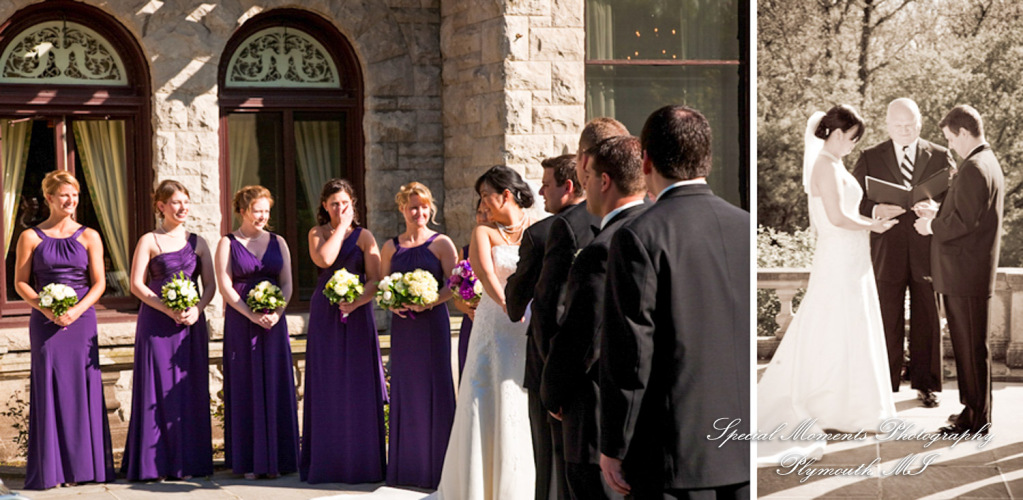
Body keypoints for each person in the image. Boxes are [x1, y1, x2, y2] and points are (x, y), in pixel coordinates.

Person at [600, 106, 751, 498]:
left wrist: (613, 446)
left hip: (671, 455)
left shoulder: (638, 236)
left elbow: (630, 353)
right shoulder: (745, 226)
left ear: (645, 160)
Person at [757, 106, 897, 467]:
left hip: (849, 255)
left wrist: (873, 214)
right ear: (836, 134)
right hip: (839, 256)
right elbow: (835, 218)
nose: (852, 146)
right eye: (852, 139)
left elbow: (842, 212)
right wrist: (872, 225)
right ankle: (827, 403)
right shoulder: (824, 165)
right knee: (833, 322)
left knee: (849, 324)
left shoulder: (832, 165)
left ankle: (849, 403)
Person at [542, 135, 647, 500]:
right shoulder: (659, 232)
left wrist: (552, 393)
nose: (584, 191)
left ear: (604, 182)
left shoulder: (601, 250)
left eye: (586, 181)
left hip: (597, 418)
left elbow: (579, 336)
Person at [427, 164, 539, 499]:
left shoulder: (539, 226)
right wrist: (509, 306)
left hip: (529, 325)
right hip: (495, 323)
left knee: (521, 397)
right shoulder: (484, 233)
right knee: (487, 394)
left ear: (505, 194)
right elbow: (487, 274)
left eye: (485, 196)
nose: (482, 204)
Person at [13, 170, 115, 490]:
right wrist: (46, 308)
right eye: (63, 195)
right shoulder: (30, 237)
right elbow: (20, 283)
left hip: (81, 322)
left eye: (75, 195)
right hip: (45, 323)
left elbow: (99, 283)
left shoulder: (90, 236)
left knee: (82, 390)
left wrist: (76, 310)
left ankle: (84, 468)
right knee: (49, 388)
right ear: (49, 198)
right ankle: (52, 470)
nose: (70, 201)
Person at [853, 98, 953, 406]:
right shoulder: (870, 157)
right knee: (886, 314)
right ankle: (885, 382)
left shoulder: (940, 155)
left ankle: (928, 385)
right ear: (887, 125)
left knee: (927, 315)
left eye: (911, 125)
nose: (905, 131)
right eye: (899, 126)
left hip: (926, 246)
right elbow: (853, 200)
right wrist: (875, 207)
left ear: (920, 122)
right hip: (887, 247)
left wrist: (937, 209)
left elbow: (957, 200)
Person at [913, 104, 1003, 435]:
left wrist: (931, 226)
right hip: (971, 272)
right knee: (972, 348)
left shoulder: (974, 168)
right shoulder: (986, 163)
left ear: (964, 133)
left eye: (951, 138)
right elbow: (968, 211)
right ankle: (974, 413)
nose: (950, 145)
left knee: (970, 348)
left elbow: (964, 222)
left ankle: (977, 420)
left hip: (965, 274)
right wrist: (940, 208)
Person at [122, 180, 215, 481]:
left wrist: (197, 309)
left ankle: (188, 464)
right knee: (156, 390)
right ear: (160, 206)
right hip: (156, 323)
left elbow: (211, 286)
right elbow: (136, 284)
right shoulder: (149, 240)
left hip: (190, 325)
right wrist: (166, 308)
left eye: (185, 202)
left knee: (187, 392)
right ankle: (154, 465)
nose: (182, 207)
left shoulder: (198, 242)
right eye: (175, 202)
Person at [300, 179, 388, 484]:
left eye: (345, 204)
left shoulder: (365, 237)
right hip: (326, 315)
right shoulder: (316, 233)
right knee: (329, 384)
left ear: (353, 204)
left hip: (357, 315)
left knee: (357, 385)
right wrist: (339, 227)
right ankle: (328, 462)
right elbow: (324, 259)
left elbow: (376, 279)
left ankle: (362, 463)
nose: (340, 208)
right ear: (325, 206)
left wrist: (356, 302)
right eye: (334, 204)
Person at [214, 185, 299, 480]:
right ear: (242, 211)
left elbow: (287, 283)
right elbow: (225, 286)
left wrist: (277, 313)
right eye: (257, 211)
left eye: (266, 210)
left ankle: (281, 458)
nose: (262, 216)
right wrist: (250, 313)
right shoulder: (227, 243)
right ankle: (249, 460)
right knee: (245, 384)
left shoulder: (279, 242)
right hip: (241, 322)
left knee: (275, 382)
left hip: (274, 325)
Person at [380, 182, 458, 489]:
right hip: (404, 328)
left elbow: (455, 284)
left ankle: (439, 467)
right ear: (402, 209)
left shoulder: (442, 243)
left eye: (424, 207)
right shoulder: (390, 247)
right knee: (407, 390)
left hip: (432, 325)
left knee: (435, 388)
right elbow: (383, 287)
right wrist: (392, 305)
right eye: (413, 207)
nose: (419, 212)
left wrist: (431, 300)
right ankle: (408, 467)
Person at [452, 200, 490, 379]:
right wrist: (468, 309)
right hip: (472, 323)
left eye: (487, 212)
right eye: (479, 212)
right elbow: (456, 297)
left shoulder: (504, 250)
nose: (483, 217)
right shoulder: (465, 252)